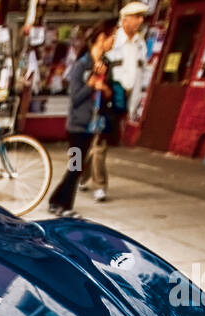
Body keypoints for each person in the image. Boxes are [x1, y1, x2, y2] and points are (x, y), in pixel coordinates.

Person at [47, 20, 117, 218]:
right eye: (111, 37)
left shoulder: (105, 65)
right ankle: (63, 204)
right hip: (78, 126)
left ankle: (57, 201)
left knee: (77, 167)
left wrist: (104, 89)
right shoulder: (81, 64)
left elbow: (109, 94)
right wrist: (91, 85)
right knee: (76, 166)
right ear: (101, 38)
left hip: (94, 124)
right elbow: (75, 97)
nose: (113, 42)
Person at [83, 2, 148, 201]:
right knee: (99, 142)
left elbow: (140, 73)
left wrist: (135, 102)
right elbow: (95, 67)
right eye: (136, 17)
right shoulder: (112, 40)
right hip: (103, 98)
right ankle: (99, 184)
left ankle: (80, 175)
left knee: (94, 142)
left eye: (141, 17)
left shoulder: (140, 44)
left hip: (121, 99)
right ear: (125, 19)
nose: (140, 21)